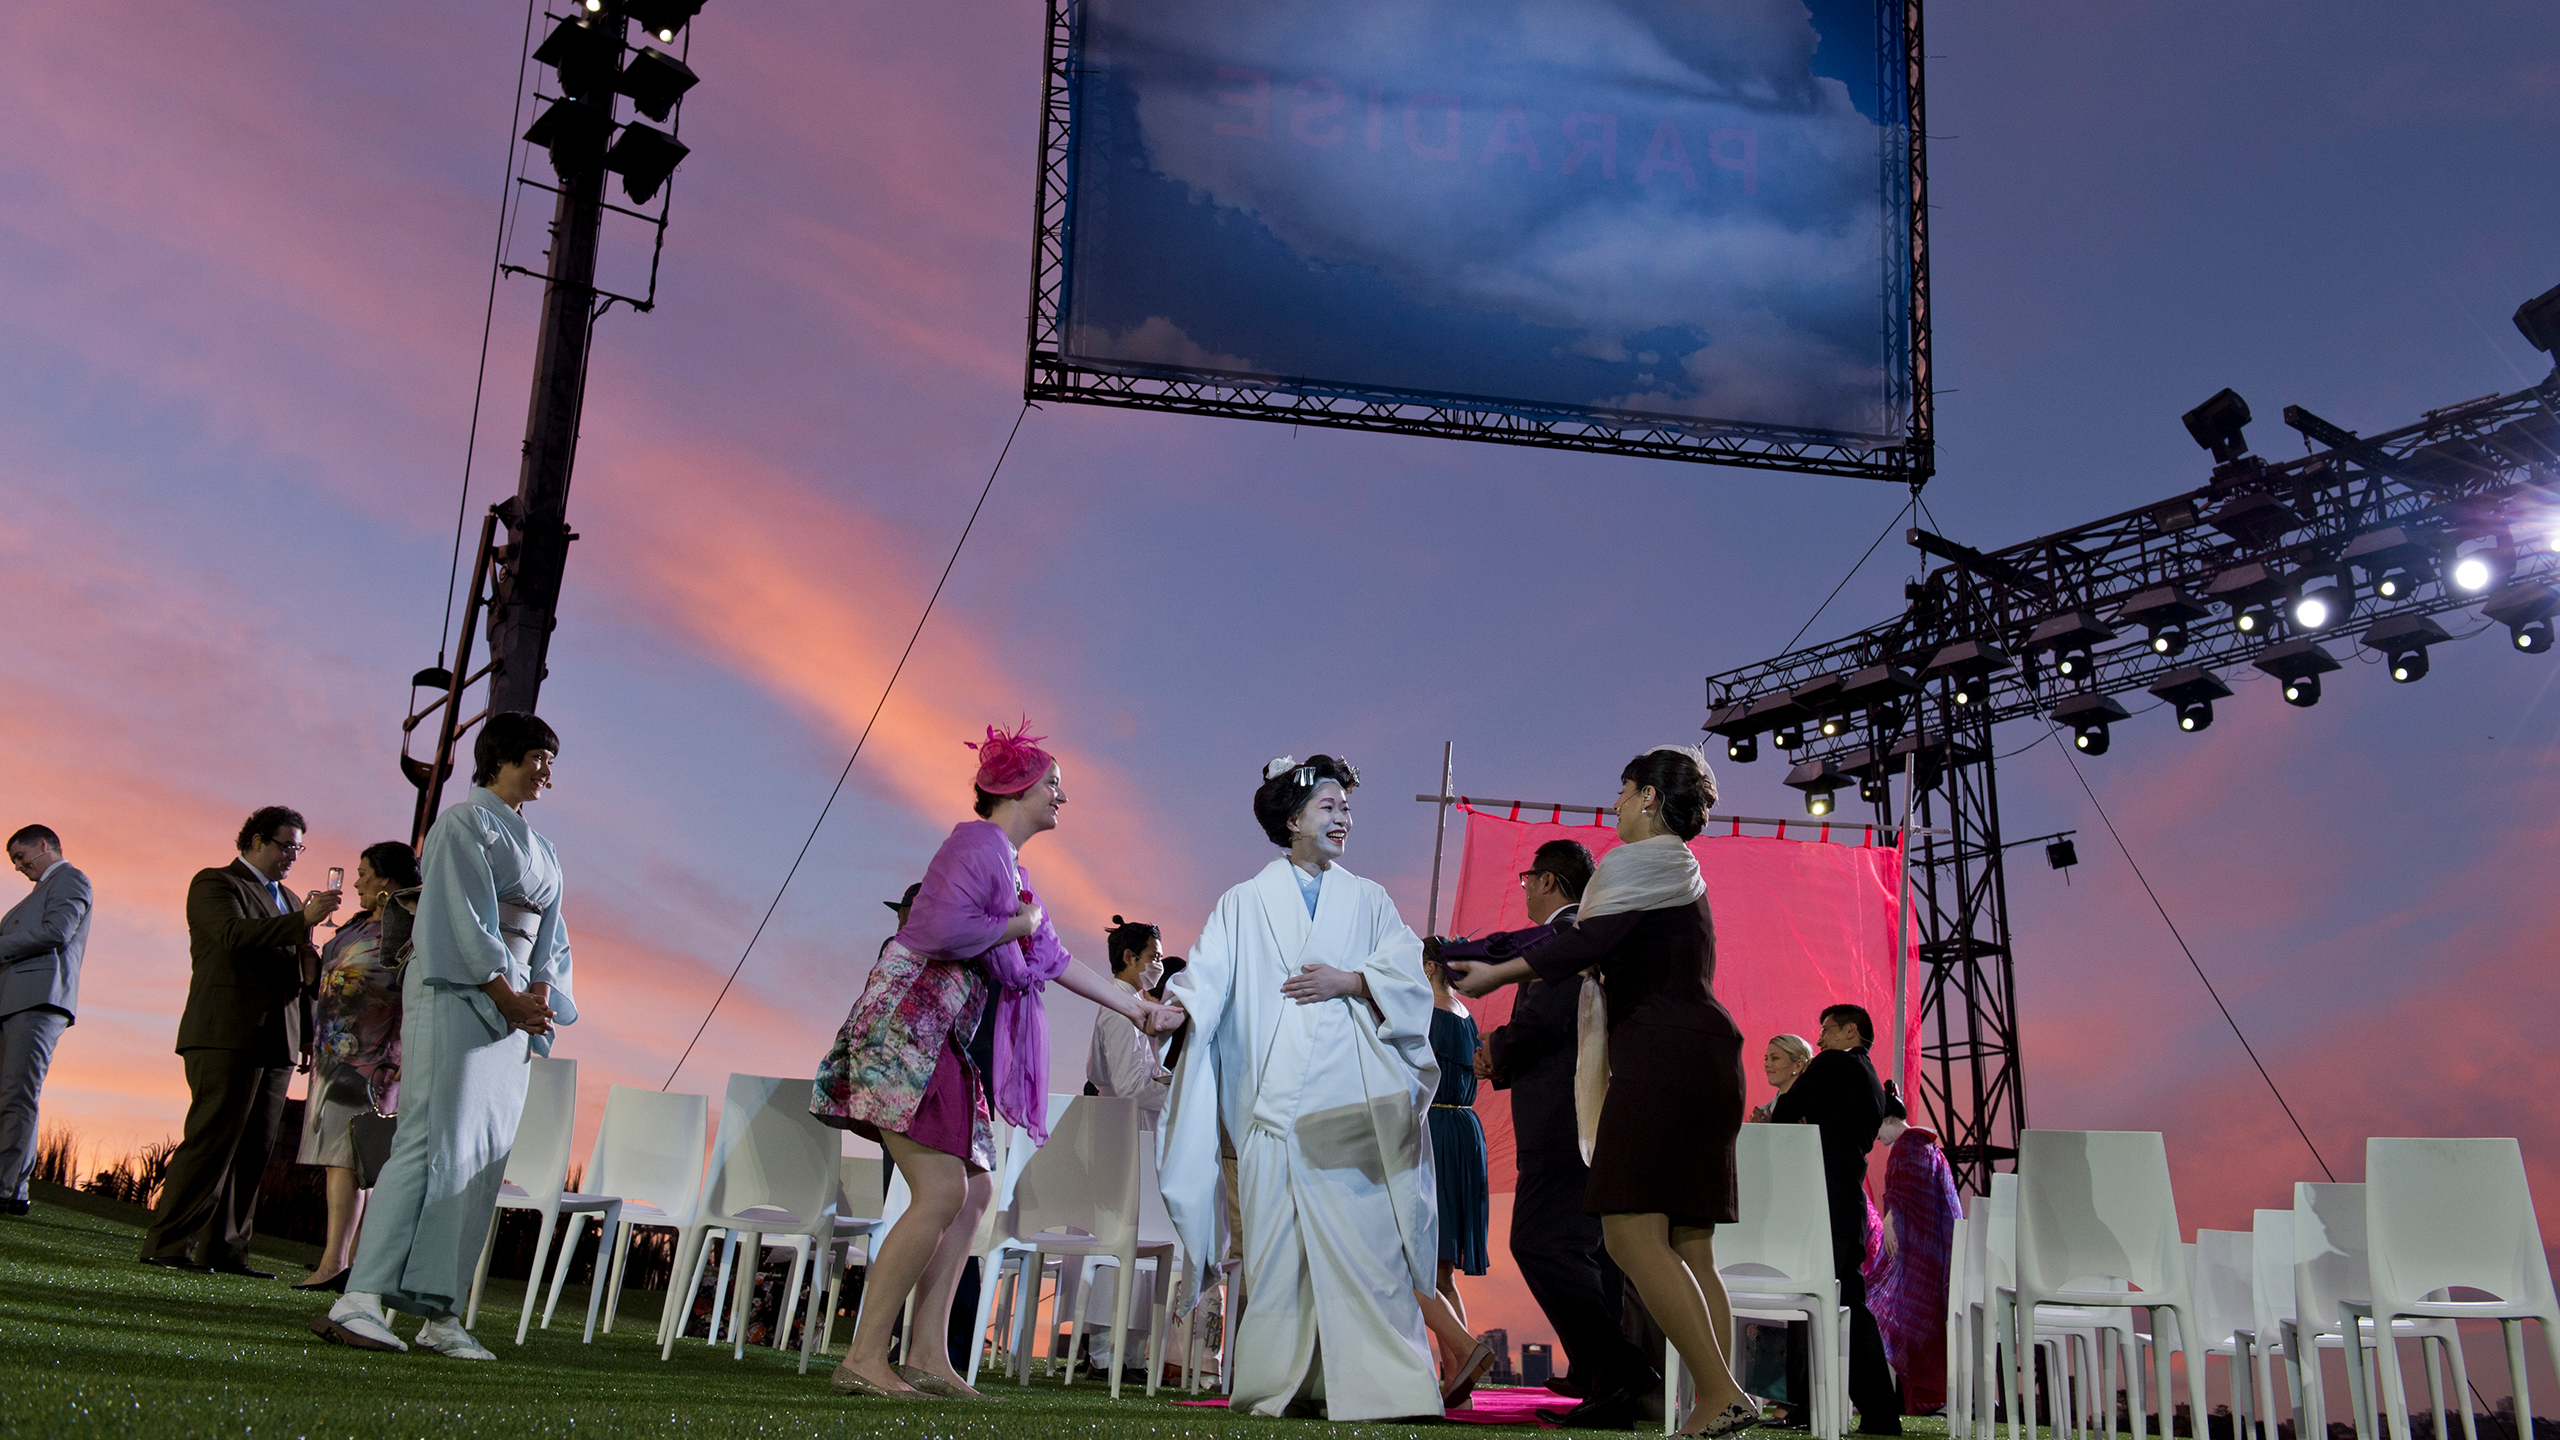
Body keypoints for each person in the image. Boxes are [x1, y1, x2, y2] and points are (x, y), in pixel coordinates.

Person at [814, 720, 1182, 1401]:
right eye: (1055, 787)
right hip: (908, 1027)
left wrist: (1140, 1009)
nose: (1062, 799)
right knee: (943, 1191)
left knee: (975, 1191)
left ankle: (926, 1352)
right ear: (1018, 788)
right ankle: (864, 1356)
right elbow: (932, 927)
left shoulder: (1009, 864)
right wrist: (1016, 924)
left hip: (942, 1037)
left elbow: (1055, 958)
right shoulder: (974, 842)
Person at [1450, 746, 1757, 1437]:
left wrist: (1492, 973)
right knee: (1690, 1245)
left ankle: (1719, 1392)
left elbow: (1582, 945)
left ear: (1649, 797)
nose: (1614, 804)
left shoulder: (1634, 863)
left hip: (1662, 1055)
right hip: (1706, 1056)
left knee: (1627, 1231)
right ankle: (1715, 1399)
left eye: (1622, 791)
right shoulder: (1683, 870)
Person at [1159, 754, 1445, 1422]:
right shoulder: (1244, 901)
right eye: (1329, 806)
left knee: (1368, 1252)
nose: (1344, 816)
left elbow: (1405, 977)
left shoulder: (1369, 899)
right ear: (1292, 820)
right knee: (1278, 1257)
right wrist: (1177, 1009)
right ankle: (1283, 1385)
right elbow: (1209, 977)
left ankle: (1391, 1389)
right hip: (1274, 1110)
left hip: (1349, 1111)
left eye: (1347, 807)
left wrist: (1352, 981)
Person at [316, 712, 577, 1357]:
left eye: (551, 759)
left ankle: (440, 1313)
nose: (547, 770)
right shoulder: (461, 824)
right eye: (537, 756)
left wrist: (537, 995)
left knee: (481, 1156)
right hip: (460, 996)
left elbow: (552, 937)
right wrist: (507, 995)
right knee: (429, 1138)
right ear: (501, 757)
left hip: (512, 1008)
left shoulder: (544, 849)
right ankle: (361, 1296)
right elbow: (459, 916)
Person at [1444, 837, 1658, 1409]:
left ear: (1547, 881)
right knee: (1587, 1250)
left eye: (1526, 879)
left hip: (1567, 1117)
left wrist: (1497, 1050)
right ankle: (1598, 1372)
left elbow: (1547, 1019)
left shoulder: (1565, 938)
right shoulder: (1576, 935)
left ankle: (1622, 1369)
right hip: (1583, 1113)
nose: (1524, 890)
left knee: (1541, 1243)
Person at [143, 806, 341, 1275]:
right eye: (285, 844)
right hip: (226, 1032)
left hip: (279, 1037)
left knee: (255, 1150)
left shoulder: (292, 899)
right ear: (255, 840)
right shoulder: (216, 884)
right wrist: (303, 921)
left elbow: (296, 967)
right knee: (212, 1140)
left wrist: (309, 1029)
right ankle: (168, 1244)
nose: (293, 855)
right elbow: (233, 936)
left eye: (298, 847)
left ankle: (227, 1251)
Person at [293, 841, 421, 1291]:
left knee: (357, 1159)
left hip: (374, 1056)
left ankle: (339, 1265)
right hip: (335, 1052)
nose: (357, 881)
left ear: (387, 879)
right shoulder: (353, 925)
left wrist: (406, 1051)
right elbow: (326, 976)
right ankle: (341, 1263)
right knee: (338, 1160)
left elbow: (414, 988)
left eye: (364, 872)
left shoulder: (408, 923)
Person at [1769, 1004, 1902, 1435]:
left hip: (1822, 1203)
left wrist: (1791, 1108)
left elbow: (1787, 1117)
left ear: (1849, 1032)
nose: (1820, 1037)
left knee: (1827, 1304)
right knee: (1846, 1304)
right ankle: (1875, 1411)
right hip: (1847, 1203)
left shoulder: (1833, 1064)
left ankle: (1866, 1411)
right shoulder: (1868, 1078)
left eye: (1826, 1029)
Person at [0, 825, 92, 1216]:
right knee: (10, 1096)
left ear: (43, 845)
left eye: (22, 857)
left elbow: (58, 930)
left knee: (16, 1096)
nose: (19, 867)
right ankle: (12, 1187)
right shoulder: (35, 895)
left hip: (37, 1001)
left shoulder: (71, 879)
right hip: (13, 1002)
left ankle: (8, 1190)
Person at [1419, 944, 1497, 1403]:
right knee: (1442, 1268)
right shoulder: (1465, 1014)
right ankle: (1460, 1378)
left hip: (1437, 1131)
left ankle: (1459, 1370)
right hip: (1466, 1130)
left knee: (1429, 1262)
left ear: (1429, 968)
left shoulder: (1429, 1014)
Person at [1087, 916, 1171, 1126]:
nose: (1159, 966)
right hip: (1126, 1123)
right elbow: (1130, 1086)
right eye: (1154, 958)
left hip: (1134, 1118)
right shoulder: (1119, 1010)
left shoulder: (1130, 1002)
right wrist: (1176, 1095)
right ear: (1129, 957)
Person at [1748, 1034, 1814, 1123]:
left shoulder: (1816, 1109)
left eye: (1775, 1058)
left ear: (1798, 1066)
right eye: (1766, 1058)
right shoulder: (1762, 1113)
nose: (1766, 1064)